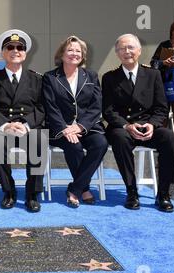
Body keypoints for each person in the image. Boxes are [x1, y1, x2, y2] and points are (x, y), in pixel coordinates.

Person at [102, 33, 174, 212]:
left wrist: (152, 124)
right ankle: (132, 191)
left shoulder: (153, 74)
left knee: (169, 138)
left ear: (139, 50)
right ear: (117, 53)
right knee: (120, 139)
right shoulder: (110, 78)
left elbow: (161, 108)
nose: (127, 52)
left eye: (131, 47)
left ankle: (164, 194)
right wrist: (127, 125)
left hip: (148, 126)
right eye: (122, 48)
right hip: (123, 127)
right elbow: (108, 110)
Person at [42, 35, 108, 207]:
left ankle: (75, 188)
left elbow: (96, 105)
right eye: (70, 50)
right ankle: (84, 189)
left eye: (78, 51)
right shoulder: (50, 77)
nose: (74, 54)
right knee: (74, 147)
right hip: (60, 129)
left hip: (87, 126)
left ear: (83, 55)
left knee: (100, 144)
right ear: (62, 54)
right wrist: (65, 129)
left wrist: (80, 126)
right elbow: (50, 106)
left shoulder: (91, 76)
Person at [0, 29, 47, 212]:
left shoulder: (37, 79)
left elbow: (42, 107)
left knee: (40, 140)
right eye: (10, 47)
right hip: (3, 127)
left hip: (27, 127)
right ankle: (9, 191)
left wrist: (26, 125)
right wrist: (5, 125)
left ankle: (32, 194)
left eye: (20, 47)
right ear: (3, 52)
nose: (15, 50)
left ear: (25, 52)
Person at [150, 20, 174, 141]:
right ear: (171, 31)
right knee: (163, 112)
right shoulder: (164, 44)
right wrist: (164, 63)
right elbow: (153, 63)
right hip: (164, 83)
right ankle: (164, 139)